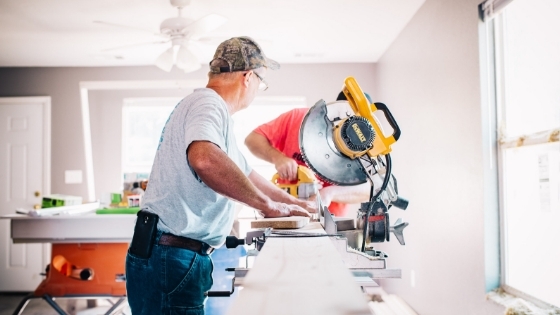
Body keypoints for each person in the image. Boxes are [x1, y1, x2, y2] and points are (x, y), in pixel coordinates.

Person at [125, 36, 316, 315]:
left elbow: (246, 173)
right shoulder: (208, 104)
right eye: (261, 83)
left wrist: (292, 205)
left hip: (168, 253)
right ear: (248, 77)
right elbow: (204, 160)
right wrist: (267, 206)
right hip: (172, 256)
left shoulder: (210, 111)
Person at [244, 91, 374, 217]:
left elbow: (371, 188)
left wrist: (330, 193)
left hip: (330, 219)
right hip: (286, 212)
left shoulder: (364, 145)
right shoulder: (297, 118)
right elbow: (252, 139)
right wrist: (277, 158)